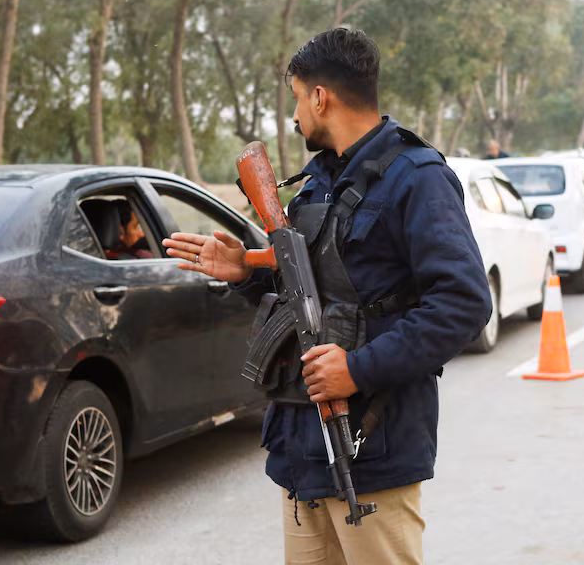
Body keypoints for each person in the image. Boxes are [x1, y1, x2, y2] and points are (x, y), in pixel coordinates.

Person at [163, 28, 492, 564]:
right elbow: (304, 297)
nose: (296, 116)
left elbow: (464, 302)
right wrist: (243, 270)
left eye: (297, 96)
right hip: (302, 450)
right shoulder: (316, 182)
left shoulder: (418, 177)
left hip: (371, 445)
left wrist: (358, 368)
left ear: (321, 96)